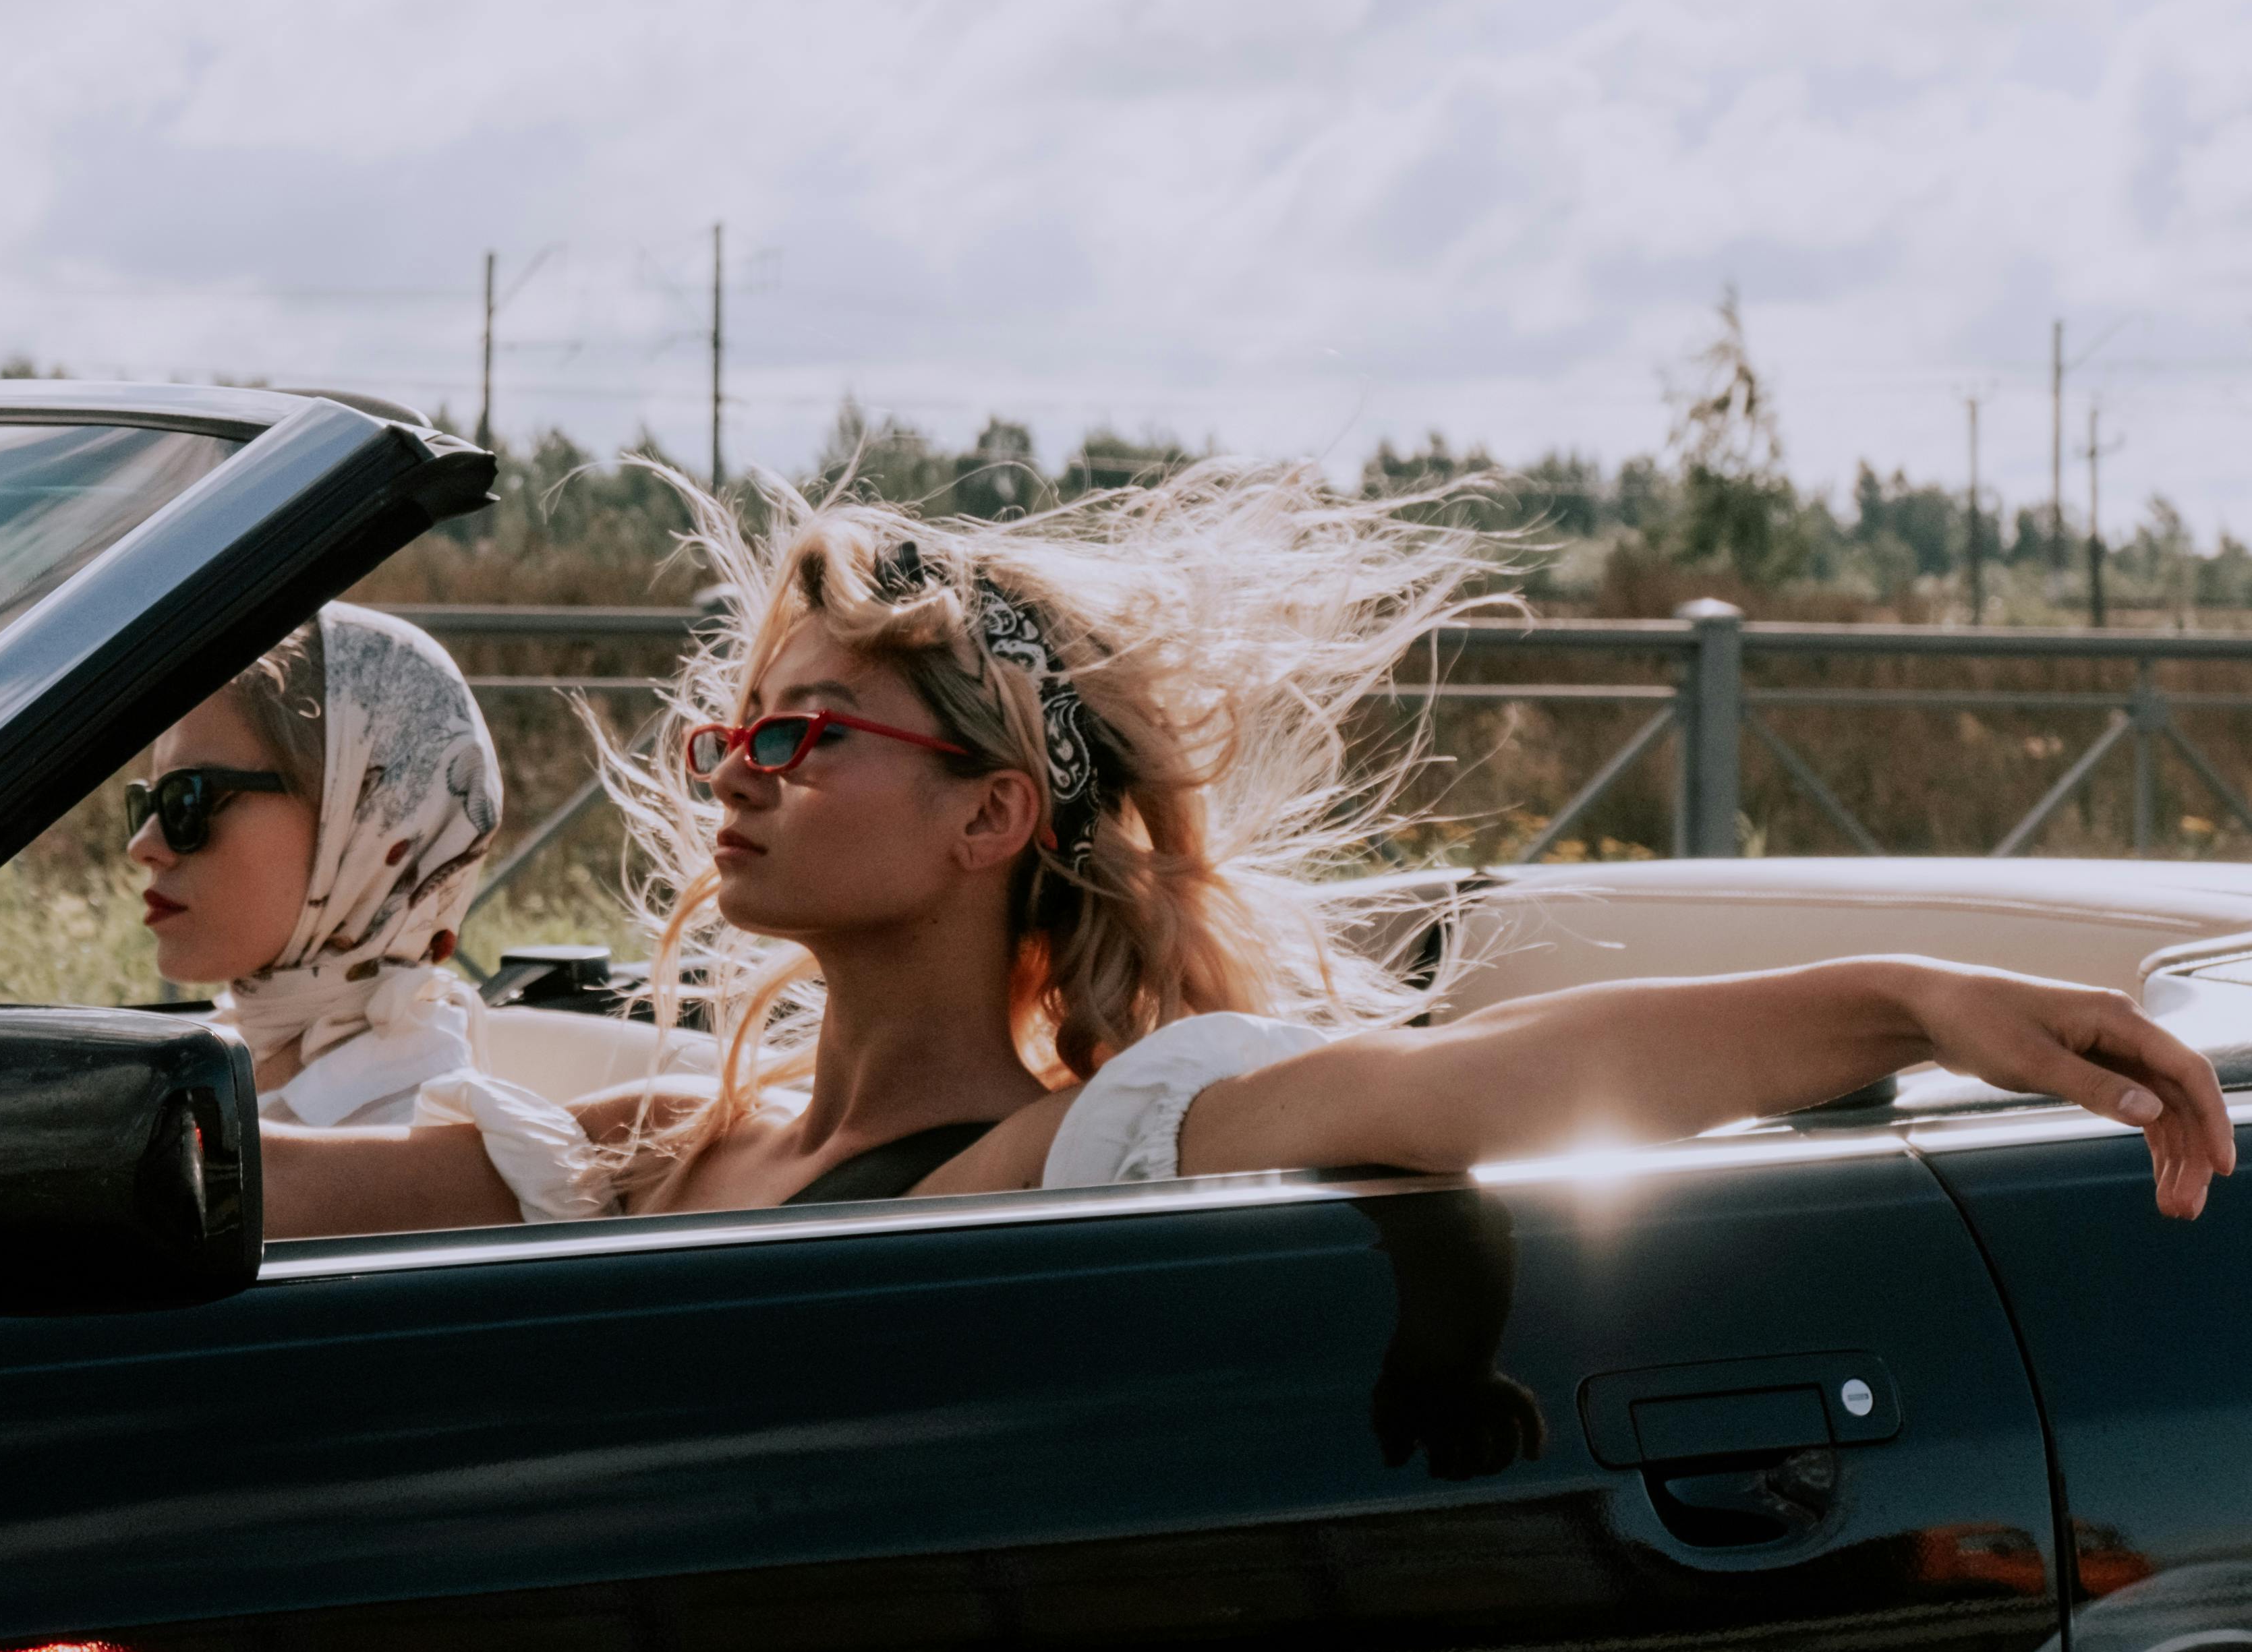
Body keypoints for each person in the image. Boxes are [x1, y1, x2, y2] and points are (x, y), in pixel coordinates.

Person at [264, 466, 2234, 1236]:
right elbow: (249, 1189)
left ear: (987, 816)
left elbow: (1478, 1085)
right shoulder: (639, 1145)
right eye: (732, 729)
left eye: (804, 732)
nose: (736, 770)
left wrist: (1901, 998)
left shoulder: (1089, 1139)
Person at [127, 603, 503, 1128]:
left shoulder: (415, 1130)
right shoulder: (228, 1056)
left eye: (188, 799)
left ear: (361, 817)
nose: (143, 845)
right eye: (147, 803)